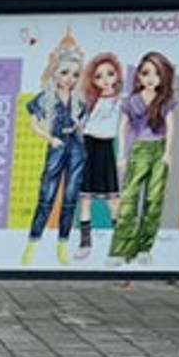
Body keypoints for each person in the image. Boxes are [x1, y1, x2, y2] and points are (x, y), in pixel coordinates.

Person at [21, 30, 87, 267]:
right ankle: (32, 243)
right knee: (46, 196)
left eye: (75, 75)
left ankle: (62, 244)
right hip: (57, 144)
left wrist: (80, 125)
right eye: (65, 73)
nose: (69, 78)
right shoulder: (45, 97)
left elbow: (83, 124)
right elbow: (33, 124)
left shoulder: (80, 100)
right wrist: (50, 139)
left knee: (70, 198)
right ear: (55, 73)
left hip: (77, 147)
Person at [109, 51, 177, 266]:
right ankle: (121, 249)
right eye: (146, 72)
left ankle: (144, 248)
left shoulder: (164, 101)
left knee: (153, 201)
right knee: (129, 199)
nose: (151, 78)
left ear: (163, 77)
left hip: (158, 149)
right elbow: (122, 127)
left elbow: (171, 127)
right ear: (138, 75)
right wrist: (121, 154)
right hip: (138, 151)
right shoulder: (131, 101)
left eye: (157, 73)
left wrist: (167, 153)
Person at [74, 52, 124, 260]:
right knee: (85, 197)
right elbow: (82, 124)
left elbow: (122, 128)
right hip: (88, 147)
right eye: (98, 76)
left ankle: (121, 242)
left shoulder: (122, 101)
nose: (105, 80)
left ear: (117, 75)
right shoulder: (90, 100)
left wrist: (121, 154)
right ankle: (85, 242)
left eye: (109, 74)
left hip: (106, 148)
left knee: (112, 197)